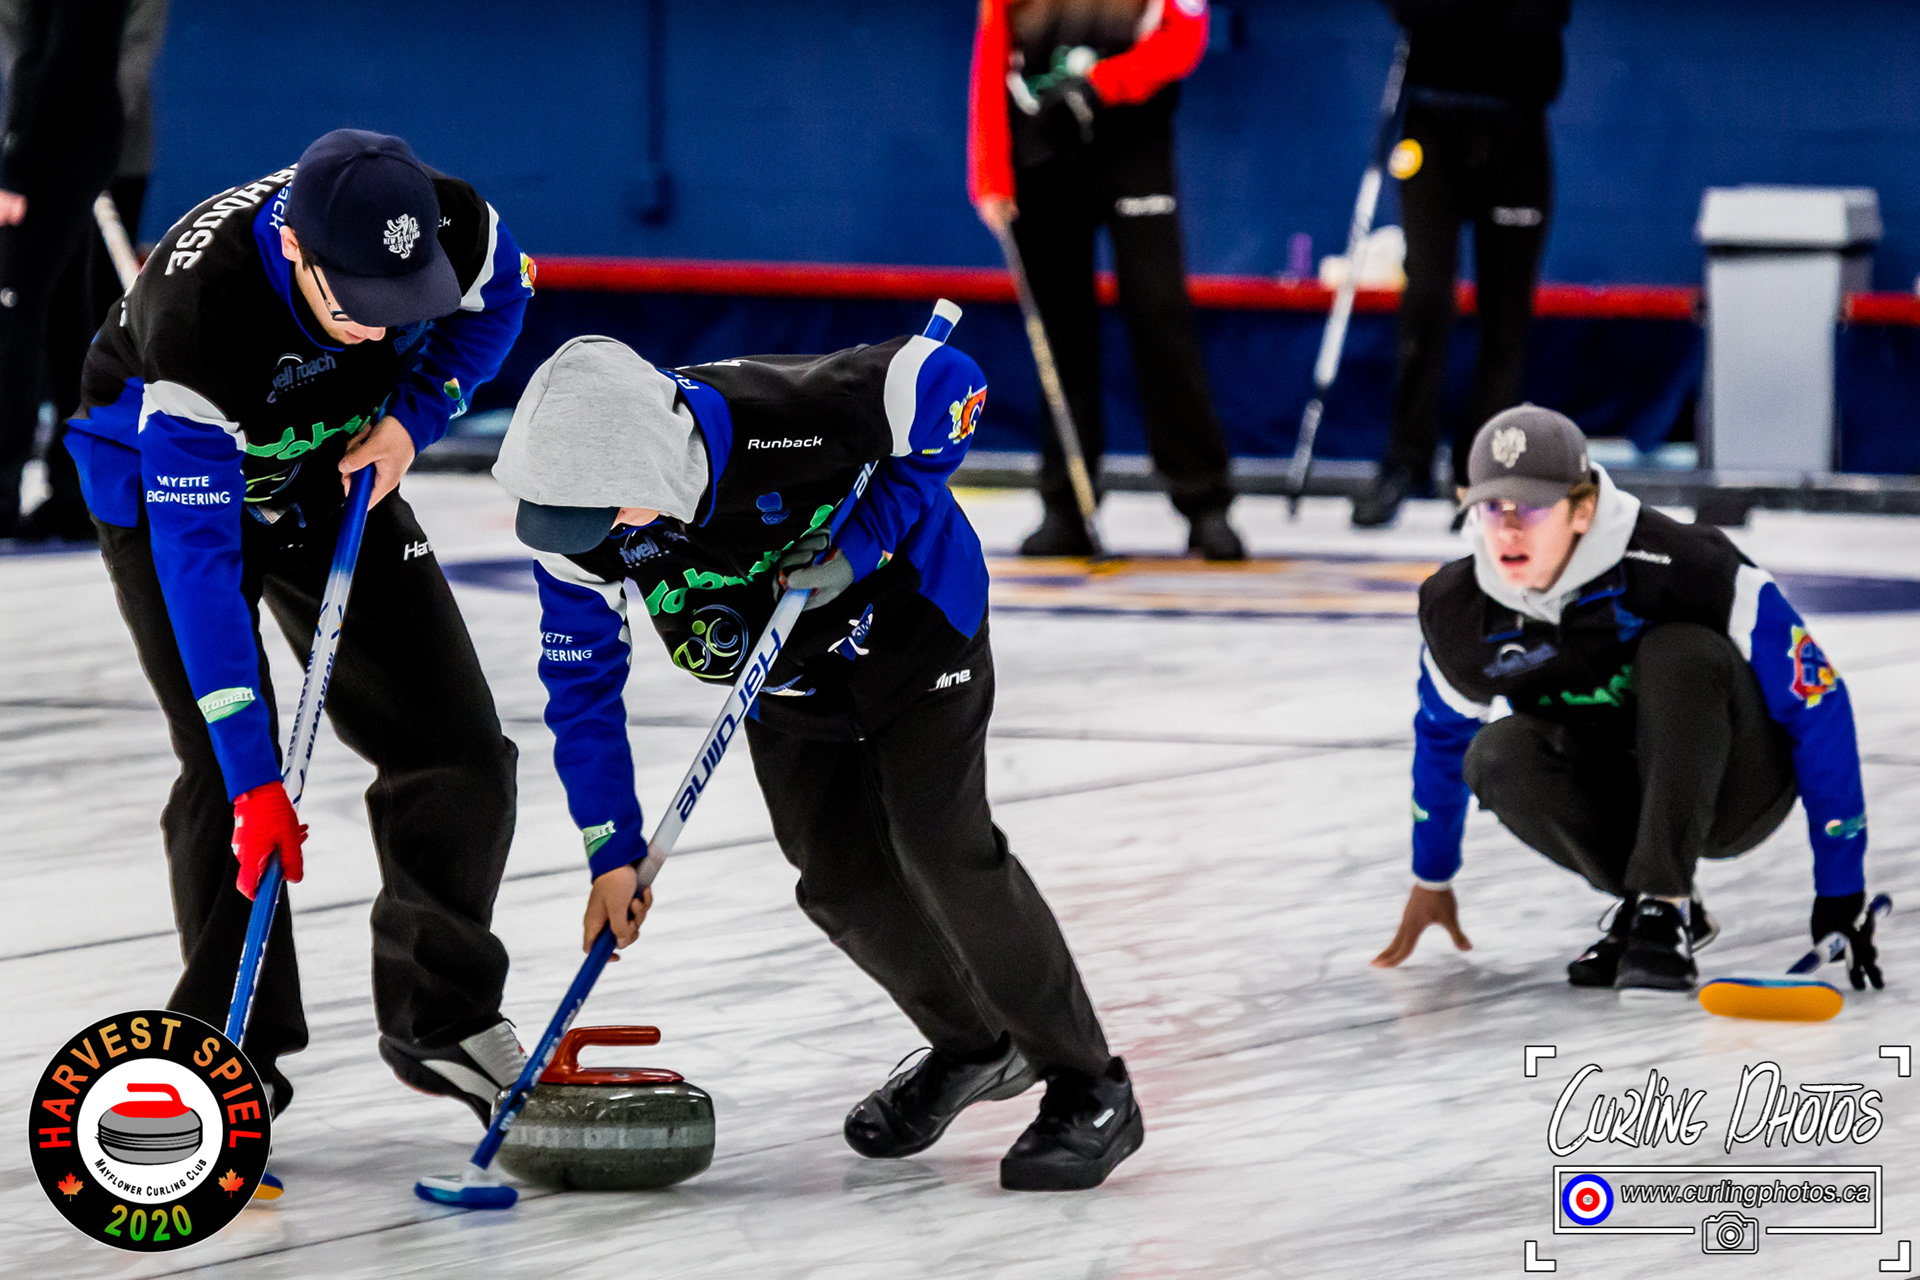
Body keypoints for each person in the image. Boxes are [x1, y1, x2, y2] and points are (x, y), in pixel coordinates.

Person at [492, 320, 1144, 1191]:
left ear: (649, 460)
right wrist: (610, 848)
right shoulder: (581, 533)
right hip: (787, 680)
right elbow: (582, 690)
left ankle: (1091, 1086)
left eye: (604, 513)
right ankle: (977, 1046)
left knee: (942, 848)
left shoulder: (785, 412)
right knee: (838, 880)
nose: (591, 538)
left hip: (918, 637)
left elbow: (948, 381)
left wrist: (862, 542)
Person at [64, 129, 535, 1122]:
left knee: (458, 749)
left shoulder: (454, 220)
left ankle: (441, 1017)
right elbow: (198, 568)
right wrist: (255, 782)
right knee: (226, 779)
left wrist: (413, 419)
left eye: (403, 302)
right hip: (169, 493)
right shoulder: (200, 322)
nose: (379, 327)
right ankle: (234, 1046)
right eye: (358, 305)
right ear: (294, 249)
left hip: (334, 463)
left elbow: (500, 303)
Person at [1372, 406, 1880, 994]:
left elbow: (1816, 701)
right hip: (1624, 791)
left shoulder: (1689, 564)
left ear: (1583, 509)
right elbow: (1441, 736)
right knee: (1497, 754)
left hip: (1737, 788)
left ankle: (1663, 902)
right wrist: (1432, 876)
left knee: (1680, 653)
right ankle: (1656, 907)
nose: (1508, 531)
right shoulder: (1458, 613)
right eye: (1492, 508)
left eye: (1531, 508)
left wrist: (1841, 888)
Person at [969, 0, 1244, 560]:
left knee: (1160, 314)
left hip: (1132, 136)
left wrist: (1101, 85)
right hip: (1040, 138)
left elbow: (1184, 38)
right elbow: (993, 43)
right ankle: (1066, 507)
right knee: (1058, 331)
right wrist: (990, 172)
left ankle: (1204, 503)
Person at [1350, 0, 1570, 528]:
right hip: (1433, 120)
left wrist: (1461, 16)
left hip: (1519, 124)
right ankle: (1407, 461)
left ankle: (1485, 470)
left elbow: (1543, 16)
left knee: (1507, 311)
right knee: (1425, 296)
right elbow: (1410, 9)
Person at [0, 0, 167, 541]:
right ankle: (79, 491)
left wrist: (19, 162)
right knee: (63, 312)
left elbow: (64, 53)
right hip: (68, 132)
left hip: (64, 137)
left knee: (17, 304)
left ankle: (8, 489)